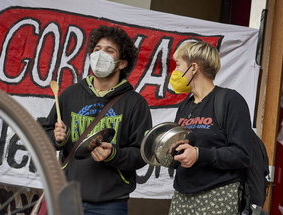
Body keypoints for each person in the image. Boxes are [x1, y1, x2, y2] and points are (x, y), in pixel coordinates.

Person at [41, 25, 152, 215]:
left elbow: (143, 154)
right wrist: (58, 138)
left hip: (110, 204)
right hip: (67, 198)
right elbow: (44, 135)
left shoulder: (135, 103)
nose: (101, 55)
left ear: (122, 63)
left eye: (109, 51)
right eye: (97, 49)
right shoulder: (69, 94)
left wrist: (114, 155)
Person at [168, 41, 252, 214]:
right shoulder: (185, 106)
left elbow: (242, 155)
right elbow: (181, 152)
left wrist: (199, 154)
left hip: (217, 194)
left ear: (193, 67)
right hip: (182, 195)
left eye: (178, 65)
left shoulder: (230, 100)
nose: (175, 72)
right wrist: (168, 153)